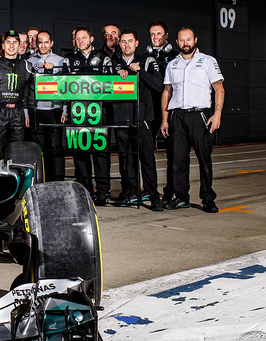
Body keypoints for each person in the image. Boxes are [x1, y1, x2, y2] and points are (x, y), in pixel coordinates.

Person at [160, 26, 225, 213]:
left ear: (195, 40)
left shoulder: (207, 61)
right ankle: (182, 198)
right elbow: (167, 92)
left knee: (204, 159)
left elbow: (219, 88)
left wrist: (217, 113)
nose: (185, 43)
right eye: (181, 40)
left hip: (200, 116)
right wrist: (165, 119)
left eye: (188, 39)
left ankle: (207, 199)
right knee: (178, 160)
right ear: (177, 42)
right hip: (178, 116)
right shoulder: (172, 64)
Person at [111, 29, 164, 211]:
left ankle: (153, 195)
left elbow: (158, 85)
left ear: (136, 43)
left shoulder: (146, 61)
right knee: (126, 160)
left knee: (147, 158)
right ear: (119, 43)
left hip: (142, 119)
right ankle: (130, 191)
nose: (127, 44)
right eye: (123, 41)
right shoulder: (113, 62)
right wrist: (117, 73)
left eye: (130, 41)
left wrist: (140, 72)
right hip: (121, 120)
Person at [67, 27, 113, 204]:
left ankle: (103, 190)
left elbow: (110, 84)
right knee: (80, 153)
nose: (81, 41)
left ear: (92, 39)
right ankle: (84, 189)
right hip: (77, 113)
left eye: (84, 37)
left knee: (100, 153)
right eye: (78, 38)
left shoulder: (103, 58)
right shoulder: (69, 60)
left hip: (99, 113)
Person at [27, 30, 67, 181]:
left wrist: (64, 110)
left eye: (46, 42)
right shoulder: (30, 61)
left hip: (54, 109)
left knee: (56, 147)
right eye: (40, 42)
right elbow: (26, 89)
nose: (43, 45)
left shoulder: (60, 60)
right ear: (36, 44)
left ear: (51, 43)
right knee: (39, 148)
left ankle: (58, 180)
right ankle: (41, 180)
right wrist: (26, 113)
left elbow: (65, 87)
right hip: (36, 110)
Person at [147, 20, 180, 202]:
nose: (155, 37)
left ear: (166, 36)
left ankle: (171, 191)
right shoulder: (145, 57)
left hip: (170, 110)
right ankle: (150, 190)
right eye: (152, 34)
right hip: (150, 111)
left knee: (173, 154)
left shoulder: (176, 58)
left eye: (158, 34)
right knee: (146, 152)